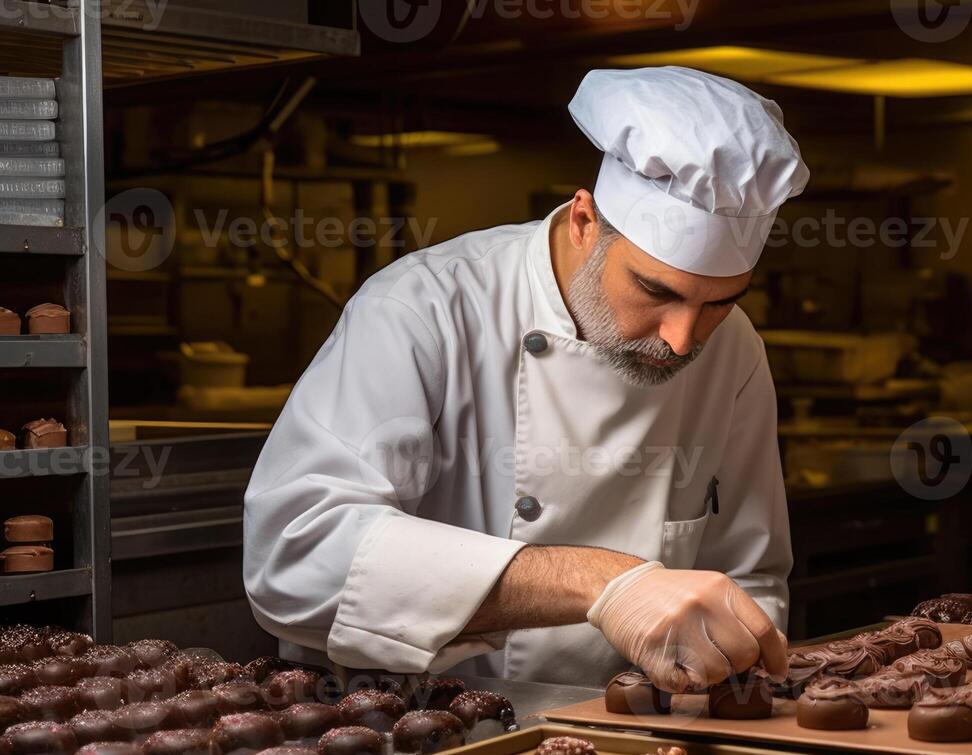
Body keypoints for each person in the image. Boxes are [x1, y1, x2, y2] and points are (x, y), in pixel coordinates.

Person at [242, 66, 808, 693]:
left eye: (719, 302)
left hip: (627, 738)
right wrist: (601, 582)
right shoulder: (425, 307)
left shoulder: (733, 350)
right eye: (654, 290)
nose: (681, 338)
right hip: (416, 727)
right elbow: (296, 557)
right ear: (584, 223)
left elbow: (746, 579)